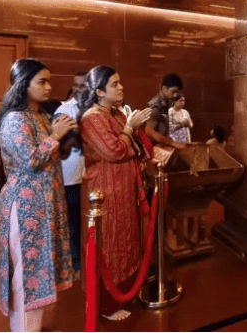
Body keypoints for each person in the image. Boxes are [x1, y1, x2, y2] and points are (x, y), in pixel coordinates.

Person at [0, 58, 77, 332]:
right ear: (23, 85)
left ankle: (33, 328)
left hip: (44, 206)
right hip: (25, 208)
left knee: (39, 271)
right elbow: (30, 161)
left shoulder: (40, 116)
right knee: (27, 275)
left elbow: (49, 156)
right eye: (42, 81)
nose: (48, 87)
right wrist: (55, 135)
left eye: (48, 80)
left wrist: (64, 139)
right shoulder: (14, 119)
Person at [79, 66, 152, 321]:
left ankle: (125, 292)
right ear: (99, 91)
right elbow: (114, 150)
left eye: (120, 82)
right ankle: (106, 304)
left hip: (123, 191)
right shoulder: (91, 118)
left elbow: (133, 146)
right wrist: (130, 128)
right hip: (105, 194)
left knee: (126, 240)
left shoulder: (116, 114)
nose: (121, 88)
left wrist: (135, 128)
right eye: (114, 84)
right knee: (109, 244)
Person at [53, 72, 87, 274]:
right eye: (76, 86)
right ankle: (75, 263)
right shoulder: (64, 110)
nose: (79, 90)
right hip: (70, 177)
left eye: (84, 86)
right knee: (73, 221)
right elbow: (58, 143)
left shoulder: (95, 108)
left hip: (91, 175)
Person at [145, 73, 185, 149]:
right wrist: (172, 143)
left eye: (177, 92)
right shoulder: (155, 105)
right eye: (173, 92)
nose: (175, 95)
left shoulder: (168, 102)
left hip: (163, 146)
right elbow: (149, 131)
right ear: (164, 89)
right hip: (154, 148)